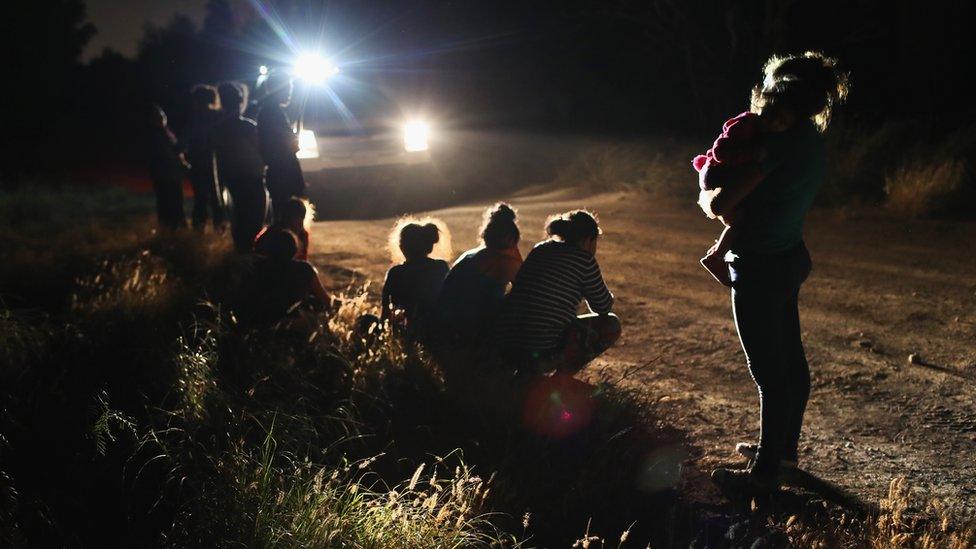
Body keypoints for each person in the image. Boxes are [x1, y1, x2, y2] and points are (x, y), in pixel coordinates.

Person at [703, 52, 848, 494]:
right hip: (789, 255)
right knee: (791, 360)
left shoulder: (773, 145)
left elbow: (719, 204)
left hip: (759, 264)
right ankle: (782, 452)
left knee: (769, 371)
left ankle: (764, 476)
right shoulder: (809, 137)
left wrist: (707, 194)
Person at [495, 209, 620, 375]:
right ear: (588, 240)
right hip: (540, 349)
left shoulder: (540, 249)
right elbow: (603, 307)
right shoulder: (585, 260)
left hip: (505, 341)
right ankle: (559, 381)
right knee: (611, 324)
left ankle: (522, 375)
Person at [692, 106, 794, 286]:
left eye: (783, 123)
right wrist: (751, 157)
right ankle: (716, 256)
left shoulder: (758, 129)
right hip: (714, 171)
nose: (777, 125)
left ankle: (719, 249)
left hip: (717, 170)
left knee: (737, 216)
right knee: (738, 220)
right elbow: (720, 151)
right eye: (775, 119)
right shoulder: (745, 125)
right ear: (763, 112)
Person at [433, 203, 522, 348]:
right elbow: (527, 289)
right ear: (512, 241)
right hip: (467, 333)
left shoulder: (471, 255)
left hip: (442, 326)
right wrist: (516, 256)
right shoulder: (503, 262)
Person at [212, 82, 269, 252]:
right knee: (254, 225)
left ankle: (243, 261)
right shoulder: (247, 127)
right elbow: (263, 153)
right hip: (251, 180)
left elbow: (217, 164)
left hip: (233, 182)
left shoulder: (218, 129)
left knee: (240, 226)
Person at [238, 229, 330, 326]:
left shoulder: (254, 270)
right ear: (293, 249)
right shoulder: (304, 269)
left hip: (261, 326)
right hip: (296, 325)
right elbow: (326, 301)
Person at [381, 219, 451, 341]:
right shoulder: (440, 267)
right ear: (428, 245)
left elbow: (385, 314)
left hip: (405, 335)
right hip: (439, 333)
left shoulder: (395, 273)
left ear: (402, 247)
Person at [257, 71, 306, 223]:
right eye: (287, 89)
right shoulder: (272, 113)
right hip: (283, 171)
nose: (290, 93)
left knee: (282, 214)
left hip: (279, 170)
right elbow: (283, 144)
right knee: (286, 217)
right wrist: (293, 141)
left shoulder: (270, 111)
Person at [184, 85, 224, 231]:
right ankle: (218, 229)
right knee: (216, 198)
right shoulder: (217, 116)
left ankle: (199, 229)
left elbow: (188, 140)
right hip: (214, 162)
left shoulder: (196, 118)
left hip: (201, 162)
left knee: (201, 199)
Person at [146, 104, 187, 230]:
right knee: (169, 202)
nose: (162, 118)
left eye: (162, 115)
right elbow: (169, 153)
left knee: (174, 202)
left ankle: (174, 227)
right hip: (165, 174)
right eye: (158, 116)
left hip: (171, 174)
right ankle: (171, 228)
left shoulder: (166, 132)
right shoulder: (156, 135)